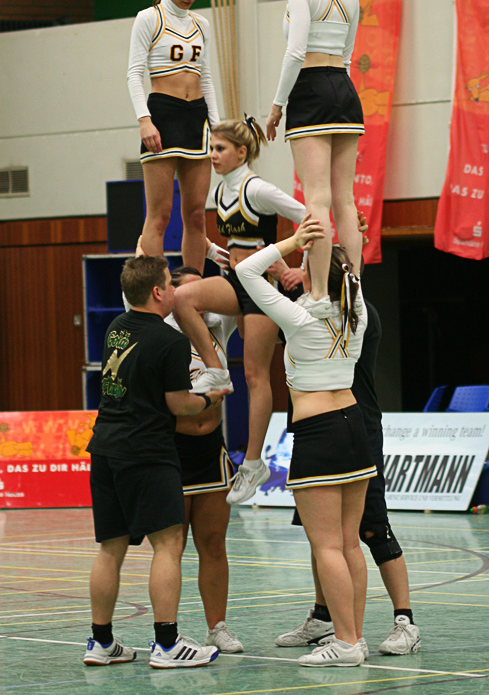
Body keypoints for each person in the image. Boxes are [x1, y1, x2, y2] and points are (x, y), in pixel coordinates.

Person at [236, 220, 376, 667]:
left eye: (304, 263)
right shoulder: (358, 312)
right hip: (354, 425)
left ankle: (347, 642)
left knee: (327, 545)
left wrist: (292, 241)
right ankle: (354, 636)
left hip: (319, 433)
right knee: (349, 543)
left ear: (315, 275)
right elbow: (344, 273)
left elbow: (246, 273)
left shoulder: (297, 317)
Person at [84, 255, 228, 670]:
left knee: (110, 549)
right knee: (168, 544)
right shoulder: (170, 342)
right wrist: (209, 396)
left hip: (106, 449)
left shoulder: (116, 327)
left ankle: (101, 642)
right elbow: (178, 403)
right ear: (158, 292)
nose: (175, 290)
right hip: (147, 451)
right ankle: (166, 644)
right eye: (171, 283)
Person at [172, 117, 309, 505]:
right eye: (211, 148)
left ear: (242, 152)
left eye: (219, 149)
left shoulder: (258, 188)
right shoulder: (222, 190)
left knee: (255, 375)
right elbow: (238, 241)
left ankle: (252, 463)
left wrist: (299, 267)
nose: (212, 156)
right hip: (235, 280)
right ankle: (216, 370)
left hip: (261, 289)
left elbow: (308, 218)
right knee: (183, 299)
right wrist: (219, 252)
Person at [275, 300, 421, 656]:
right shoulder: (307, 312)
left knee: (372, 529)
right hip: (316, 432)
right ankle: (325, 617)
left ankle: (405, 621)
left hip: (356, 426)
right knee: (322, 536)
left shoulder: (356, 313)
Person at [265, 0, 364, 307]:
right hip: (344, 89)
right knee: (346, 200)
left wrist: (277, 106)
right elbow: (348, 55)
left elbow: (295, 51)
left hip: (310, 89)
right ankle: (354, 289)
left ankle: (321, 293)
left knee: (317, 199)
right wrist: (340, 93)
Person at [127, 0, 219, 273]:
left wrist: (217, 126)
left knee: (195, 214)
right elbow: (134, 73)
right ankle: (157, 293)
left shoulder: (201, 24)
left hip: (197, 116)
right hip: (163, 115)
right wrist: (145, 121)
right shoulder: (149, 18)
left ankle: (193, 288)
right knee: (160, 214)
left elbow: (205, 75)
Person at [169, 266, 244, 653]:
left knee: (213, 542)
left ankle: (218, 628)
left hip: (211, 448)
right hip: (171, 450)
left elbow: (247, 288)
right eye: (188, 290)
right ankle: (169, 631)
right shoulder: (162, 330)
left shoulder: (218, 324)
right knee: (172, 546)